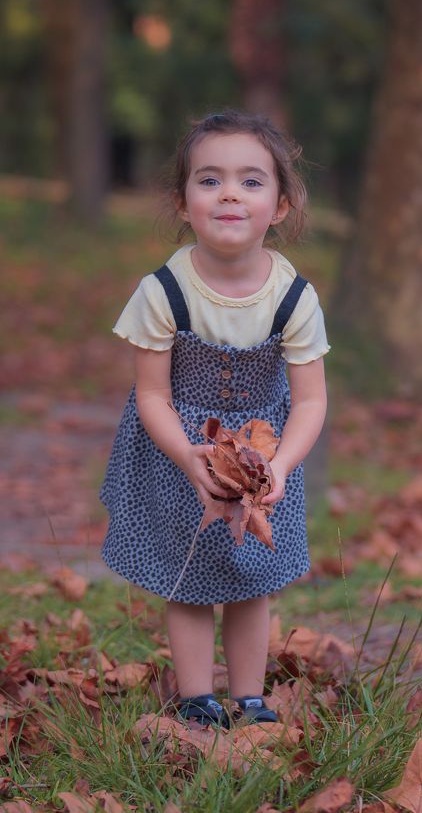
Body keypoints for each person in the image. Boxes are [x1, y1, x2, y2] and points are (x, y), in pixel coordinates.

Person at [100, 109, 329, 727]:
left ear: (280, 206)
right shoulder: (162, 292)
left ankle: (250, 698)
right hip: (181, 447)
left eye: (252, 181)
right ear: (182, 202)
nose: (230, 192)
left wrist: (279, 465)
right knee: (190, 575)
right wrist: (188, 457)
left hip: (264, 451)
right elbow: (151, 395)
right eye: (209, 180)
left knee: (252, 577)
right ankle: (198, 699)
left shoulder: (294, 297)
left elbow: (311, 400)